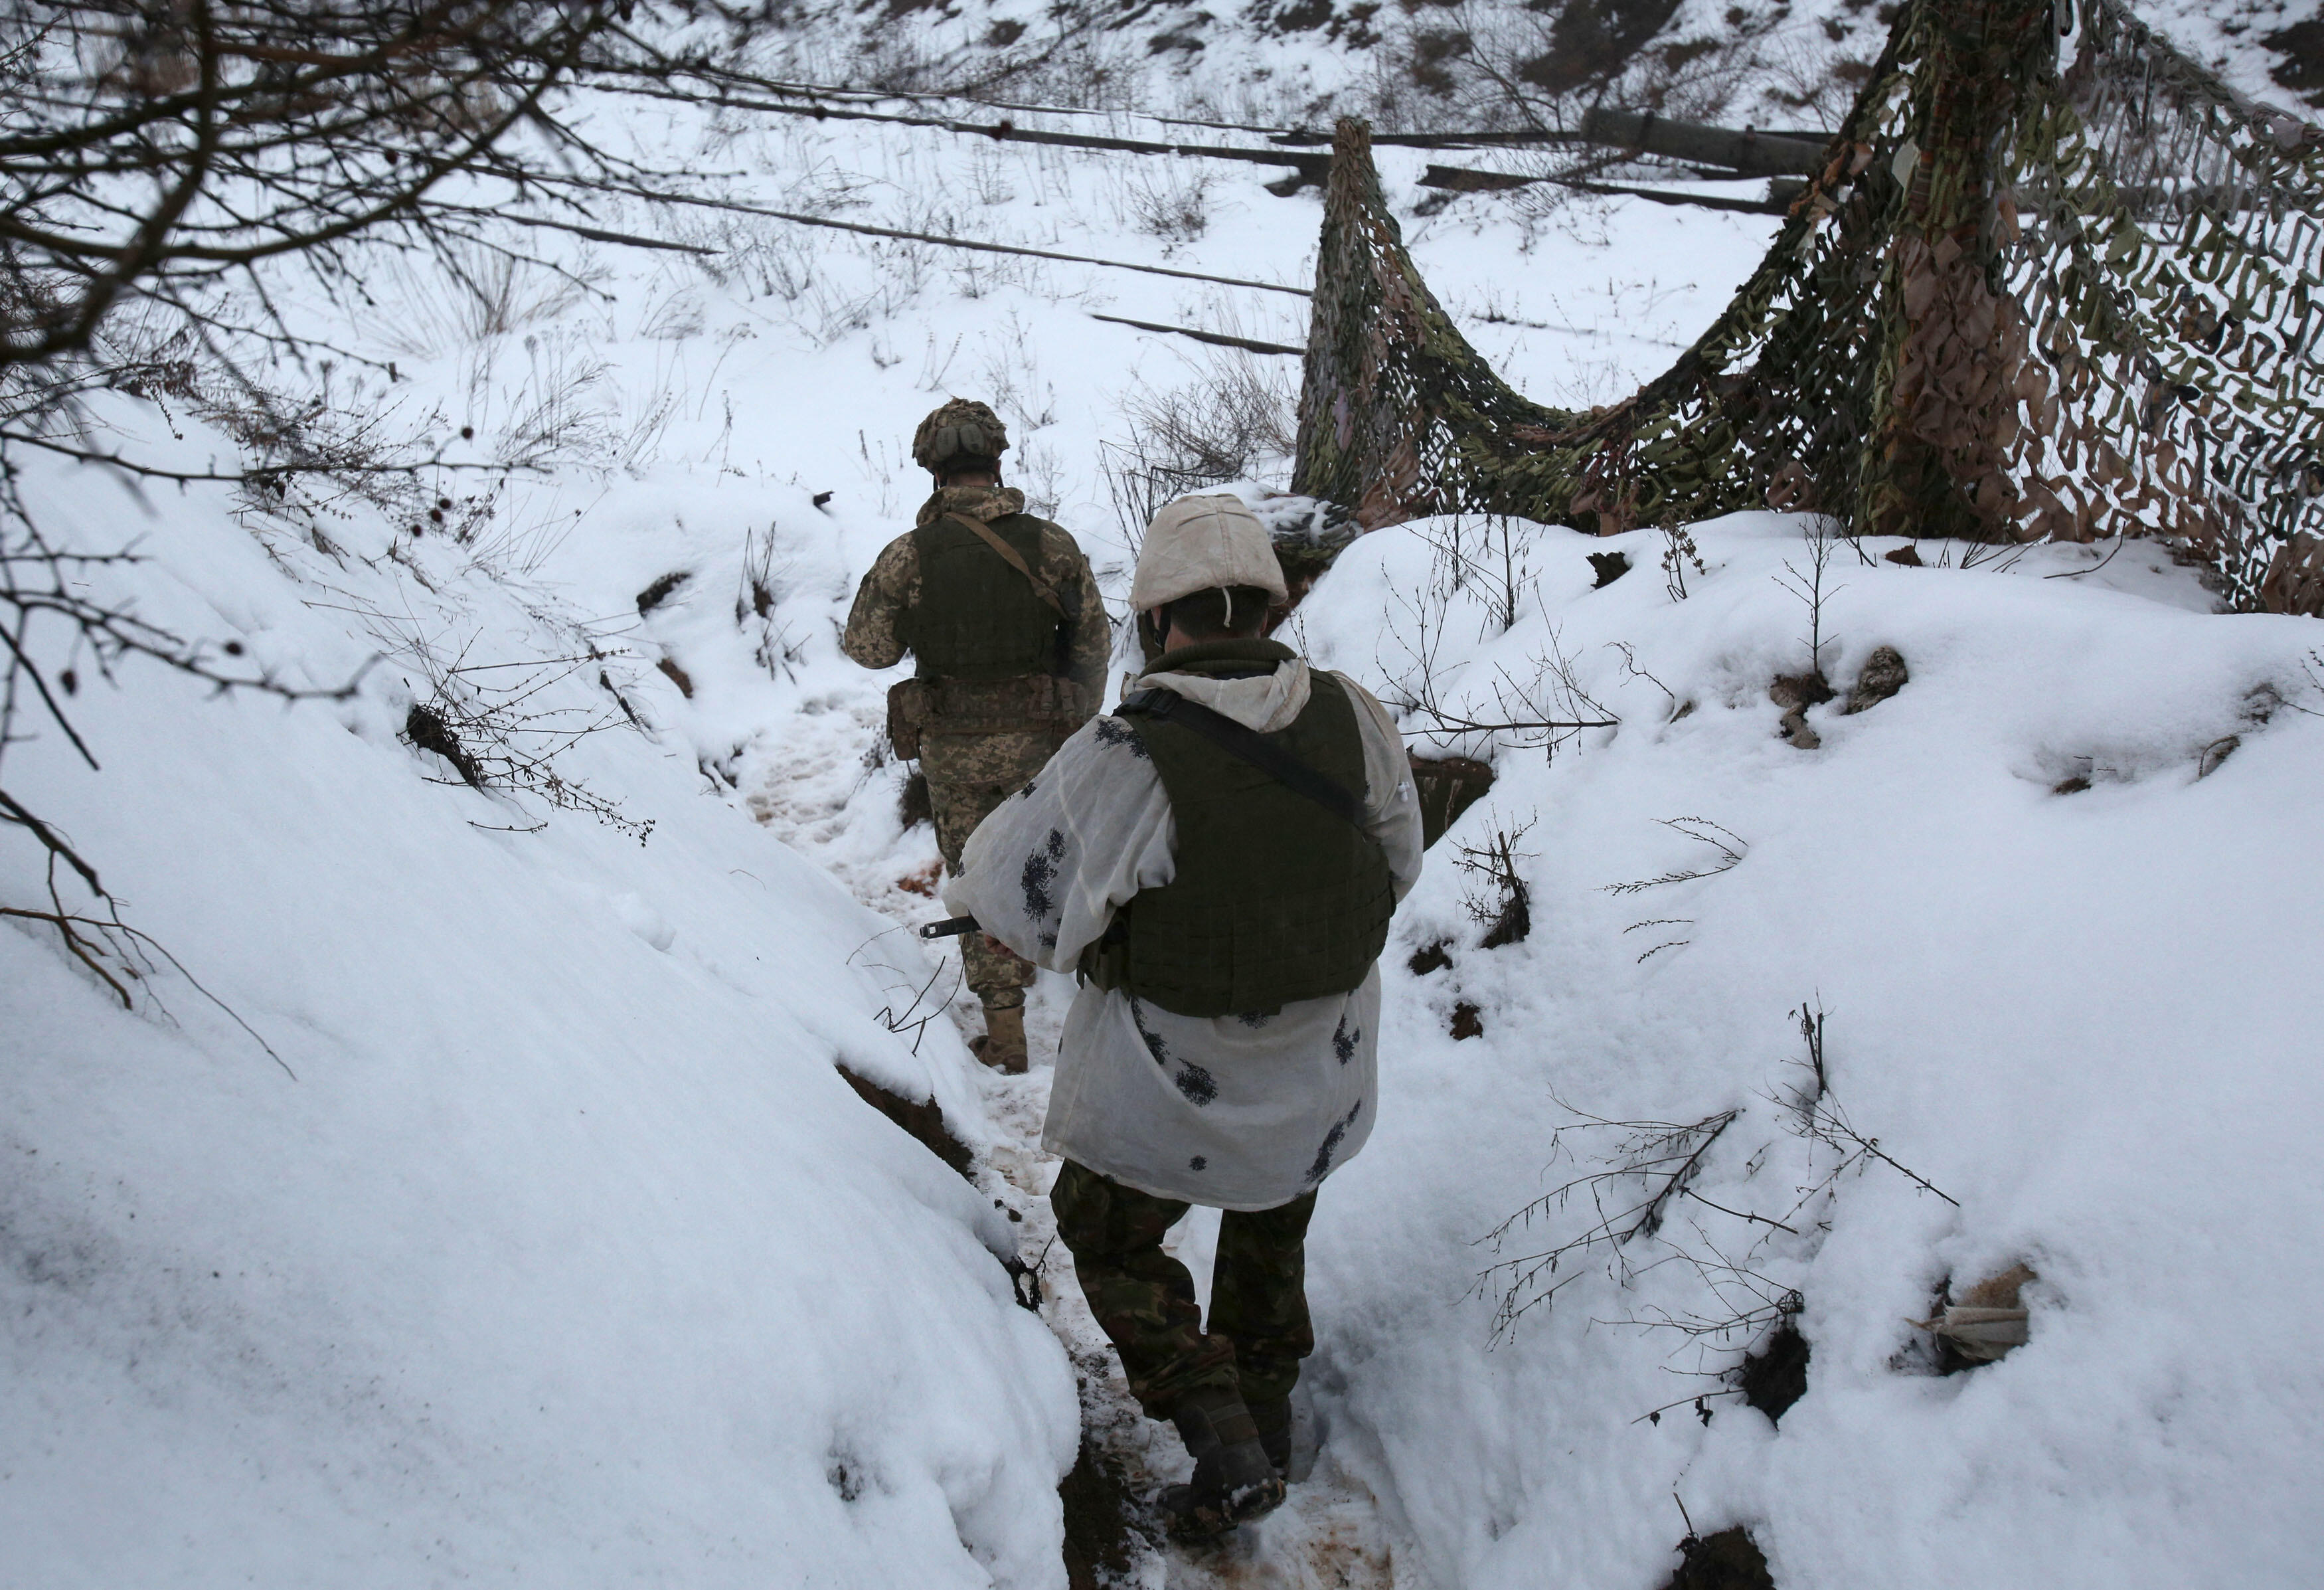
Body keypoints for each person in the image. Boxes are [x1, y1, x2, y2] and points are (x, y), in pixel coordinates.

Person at [940, 494, 1424, 1537]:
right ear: (1269, 607)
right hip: (1321, 1077)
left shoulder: (1125, 752)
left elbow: (1012, 894)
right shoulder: (1358, 715)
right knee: (1271, 1227)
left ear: (1156, 624)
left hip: (1171, 1087)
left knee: (1104, 1231)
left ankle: (1214, 1419)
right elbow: (1398, 863)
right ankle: (1266, 1417)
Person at [841, 398, 1111, 1073]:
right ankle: (1094, 1010)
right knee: (1053, 863)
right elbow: (1094, 644)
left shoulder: (909, 556)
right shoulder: (1050, 545)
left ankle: (1006, 1033)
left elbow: (867, 648)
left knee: (973, 876)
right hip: (1042, 744)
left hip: (954, 749)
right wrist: (1074, 717)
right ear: (996, 464)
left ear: (933, 471)